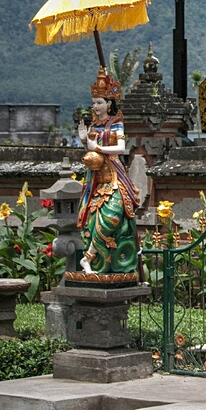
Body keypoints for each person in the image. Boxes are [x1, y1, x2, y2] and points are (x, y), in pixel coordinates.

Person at [76, 66, 140, 278]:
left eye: (99, 103)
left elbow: (121, 149)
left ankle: (90, 256)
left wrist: (98, 148)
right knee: (92, 218)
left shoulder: (116, 124)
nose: (95, 106)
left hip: (114, 176)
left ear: (109, 104)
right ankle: (91, 258)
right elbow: (90, 150)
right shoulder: (94, 125)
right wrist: (85, 138)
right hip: (97, 177)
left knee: (112, 215)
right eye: (94, 103)